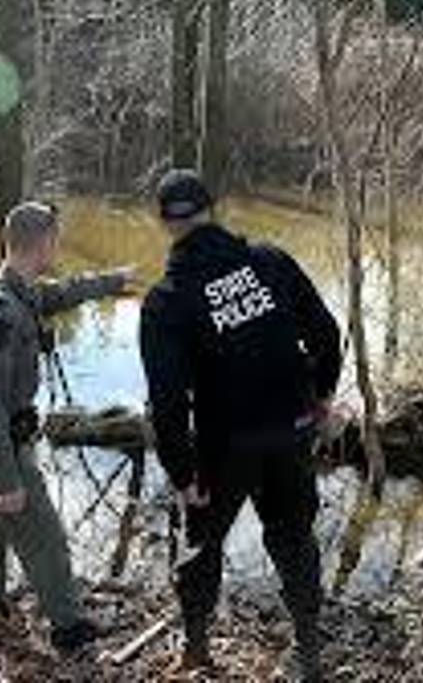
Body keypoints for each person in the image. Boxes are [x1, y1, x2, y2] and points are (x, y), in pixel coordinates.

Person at [140, 170, 343, 680]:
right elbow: (327, 333)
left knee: (203, 546)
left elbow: (167, 405)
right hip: (291, 430)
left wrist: (183, 476)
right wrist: (320, 398)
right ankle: (308, 652)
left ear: (165, 223)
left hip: (222, 448)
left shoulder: (166, 301)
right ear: (213, 209)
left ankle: (197, 650)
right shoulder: (271, 263)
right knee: (294, 538)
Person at [0, 201, 134, 653]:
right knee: (44, 534)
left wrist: (110, 282)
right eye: (57, 239)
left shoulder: (15, 288)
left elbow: (58, 295)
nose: (59, 247)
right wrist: (7, 478)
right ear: (46, 243)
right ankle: (68, 627)